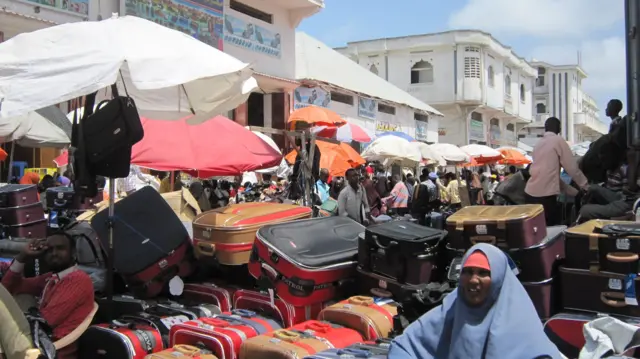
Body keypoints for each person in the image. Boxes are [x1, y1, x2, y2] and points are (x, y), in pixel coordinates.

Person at [388, 243, 561, 359]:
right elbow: (403, 346)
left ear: (499, 280)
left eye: (483, 273)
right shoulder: (452, 309)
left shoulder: (521, 324)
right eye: (468, 272)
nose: (473, 280)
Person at [1, 233, 95, 359]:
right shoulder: (50, 279)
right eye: (49, 249)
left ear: (73, 252)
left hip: (46, 348)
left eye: (60, 248)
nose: (54, 253)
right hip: (35, 338)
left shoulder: (77, 279)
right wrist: (23, 256)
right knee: (18, 297)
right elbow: (8, 287)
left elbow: (47, 320)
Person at [525, 117, 588, 225]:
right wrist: (586, 186)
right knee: (549, 231)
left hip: (530, 193)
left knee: (535, 230)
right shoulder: (558, 141)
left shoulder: (538, 144)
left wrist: (575, 192)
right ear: (558, 129)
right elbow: (572, 168)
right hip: (545, 197)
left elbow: (550, 177)